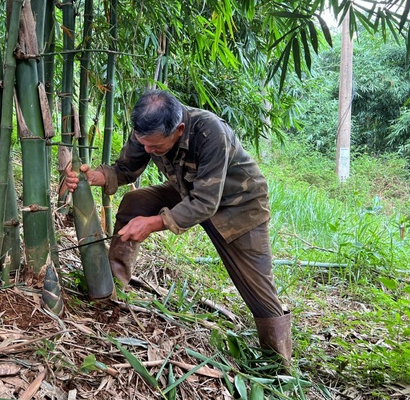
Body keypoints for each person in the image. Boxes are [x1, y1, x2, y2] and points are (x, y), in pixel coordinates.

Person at [64, 89, 292, 362]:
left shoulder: (211, 133)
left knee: (259, 291)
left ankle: (278, 362)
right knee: (134, 203)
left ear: (179, 129)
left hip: (238, 206)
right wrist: (96, 177)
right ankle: (114, 287)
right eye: (144, 144)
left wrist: (154, 223)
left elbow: (206, 202)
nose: (148, 151)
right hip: (187, 191)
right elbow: (125, 169)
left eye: (156, 147)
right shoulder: (148, 129)